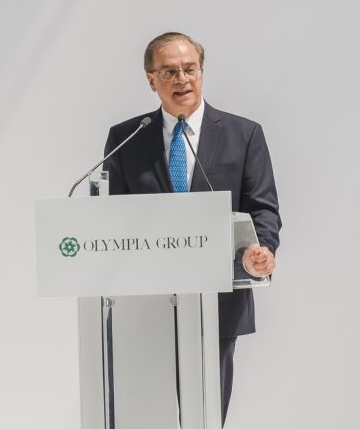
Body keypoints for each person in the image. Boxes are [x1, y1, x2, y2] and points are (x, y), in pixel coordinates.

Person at [102, 32, 281, 424]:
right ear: (151, 80)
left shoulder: (243, 134)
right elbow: (111, 220)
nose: (182, 79)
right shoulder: (126, 137)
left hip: (218, 298)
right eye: (170, 71)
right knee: (148, 416)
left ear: (202, 72)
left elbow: (263, 209)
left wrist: (261, 250)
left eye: (190, 69)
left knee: (206, 416)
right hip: (146, 303)